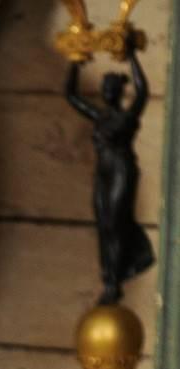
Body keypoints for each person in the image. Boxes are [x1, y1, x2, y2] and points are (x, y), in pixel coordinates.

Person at [66, 38, 155, 303]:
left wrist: (131, 57)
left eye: (109, 87)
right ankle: (109, 277)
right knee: (104, 225)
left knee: (116, 223)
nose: (105, 91)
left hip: (121, 170)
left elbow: (142, 91)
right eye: (104, 87)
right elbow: (71, 95)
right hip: (103, 172)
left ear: (116, 91)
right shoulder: (99, 116)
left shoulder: (126, 117)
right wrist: (75, 59)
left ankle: (114, 283)